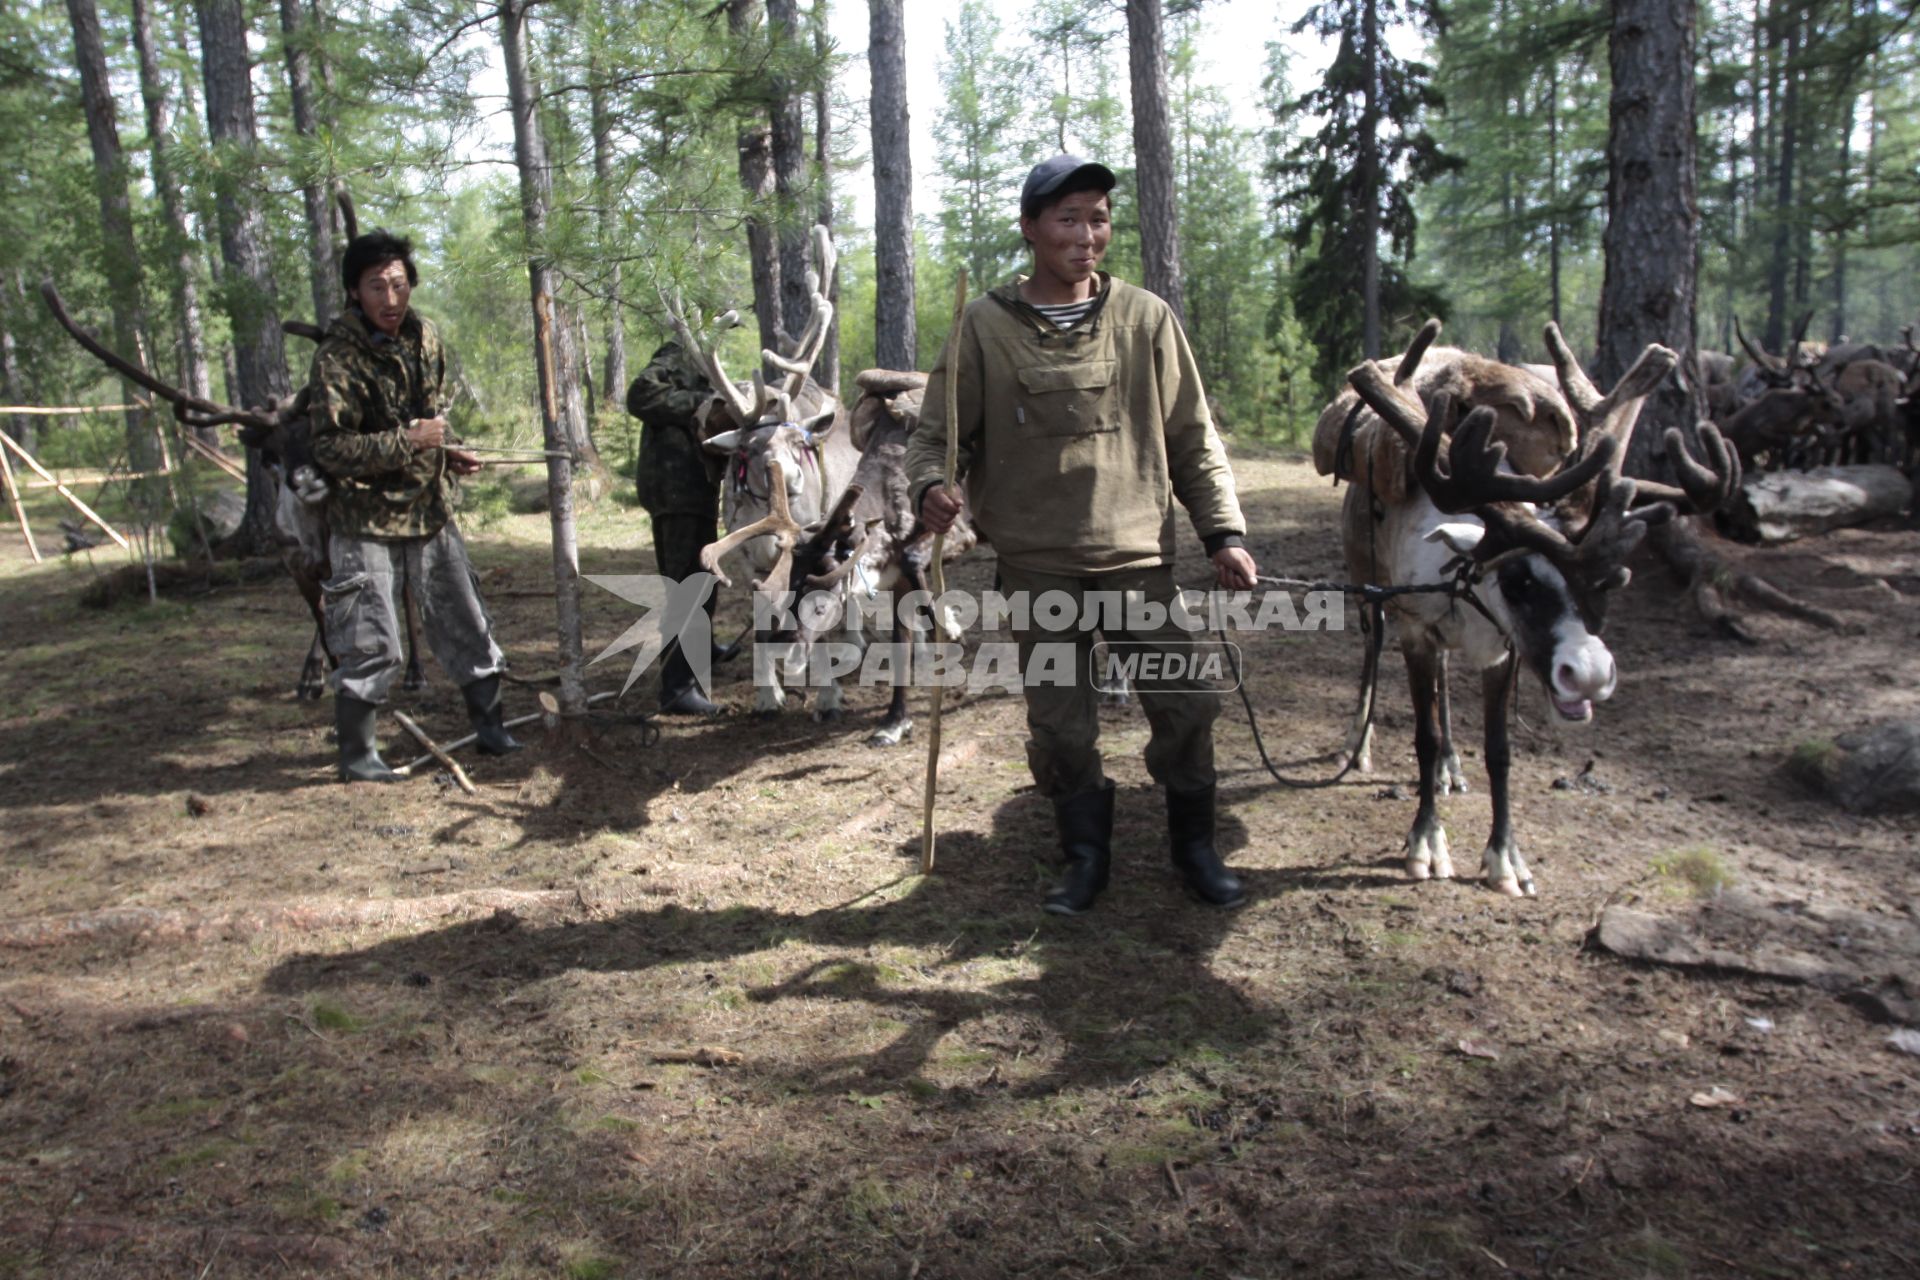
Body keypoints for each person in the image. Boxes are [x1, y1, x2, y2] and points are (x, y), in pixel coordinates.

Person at [906, 155, 1260, 916]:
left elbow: (1193, 437)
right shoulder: (984, 326)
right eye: (1068, 217)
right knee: (1062, 729)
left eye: (1098, 217)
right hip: (1038, 568)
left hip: (1137, 558)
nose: (1087, 234)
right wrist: (932, 488)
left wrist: (1223, 531)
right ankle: (1085, 857)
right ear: (1030, 228)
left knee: (1188, 704)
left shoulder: (1146, 319)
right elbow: (936, 437)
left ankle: (1194, 846)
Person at [309, 229, 519, 782]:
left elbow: (430, 419)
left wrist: (448, 453)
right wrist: (411, 441)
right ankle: (358, 756)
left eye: (398, 284)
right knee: (368, 636)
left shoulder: (426, 338)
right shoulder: (336, 358)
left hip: (429, 511)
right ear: (355, 292)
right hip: (363, 520)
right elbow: (330, 449)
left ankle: (492, 728)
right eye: (375, 287)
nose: (390, 299)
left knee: (465, 620)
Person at [626, 340, 727, 715]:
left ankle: (702, 651)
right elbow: (640, 395)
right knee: (688, 586)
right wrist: (703, 403)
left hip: (693, 490)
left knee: (702, 578)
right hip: (676, 490)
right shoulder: (678, 354)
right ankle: (677, 688)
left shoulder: (701, 361)